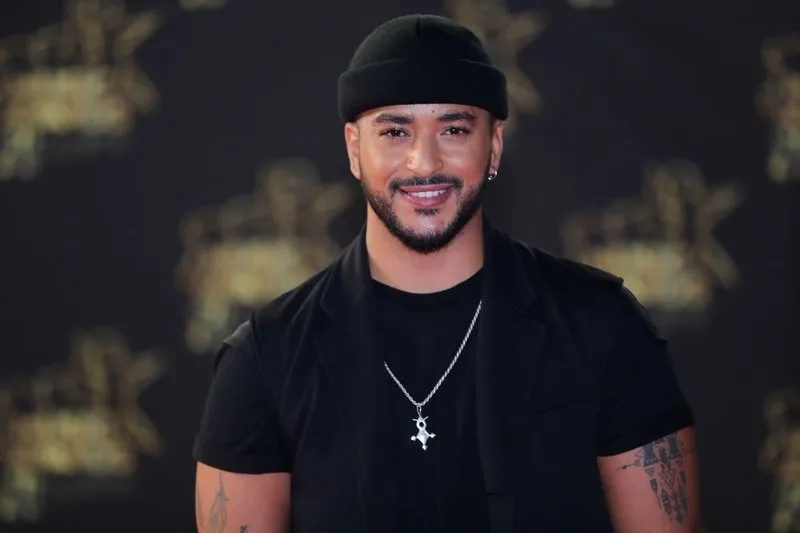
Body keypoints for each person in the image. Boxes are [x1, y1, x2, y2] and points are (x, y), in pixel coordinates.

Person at [192, 13, 699, 533]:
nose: (423, 161)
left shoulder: (602, 326)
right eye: (394, 131)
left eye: (454, 129)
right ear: (352, 149)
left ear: (494, 145)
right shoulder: (267, 357)